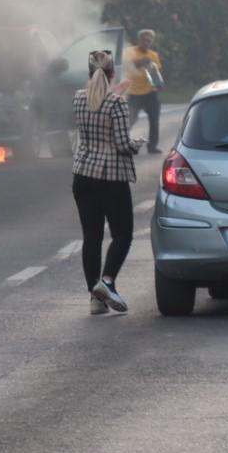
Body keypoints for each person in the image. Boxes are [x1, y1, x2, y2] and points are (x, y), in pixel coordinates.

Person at [72, 50, 143, 315]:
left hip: (82, 175)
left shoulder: (78, 99)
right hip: (111, 177)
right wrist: (137, 144)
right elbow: (123, 144)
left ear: (89, 74)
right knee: (122, 235)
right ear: (113, 73)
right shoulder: (116, 103)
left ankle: (95, 298)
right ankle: (108, 281)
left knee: (91, 237)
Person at [123, 28, 163, 154]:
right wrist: (141, 61)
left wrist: (159, 84)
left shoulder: (153, 55)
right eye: (144, 40)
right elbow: (128, 65)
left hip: (150, 92)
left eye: (148, 40)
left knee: (154, 118)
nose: (146, 42)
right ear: (139, 40)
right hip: (133, 92)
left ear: (151, 42)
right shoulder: (130, 51)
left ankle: (152, 146)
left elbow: (155, 72)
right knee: (130, 119)